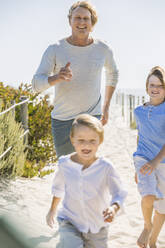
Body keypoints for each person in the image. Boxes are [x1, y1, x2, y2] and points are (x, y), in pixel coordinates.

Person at [32, 1, 118, 158]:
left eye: (86, 18)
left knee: (88, 167)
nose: (82, 22)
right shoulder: (55, 49)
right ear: (70, 21)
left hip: (91, 117)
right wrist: (56, 78)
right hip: (62, 120)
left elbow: (113, 73)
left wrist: (105, 106)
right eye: (77, 17)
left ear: (92, 24)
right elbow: (36, 84)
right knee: (68, 170)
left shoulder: (103, 49)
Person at [46, 114, 127, 248]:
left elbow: (120, 192)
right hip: (70, 220)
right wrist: (52, 210)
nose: (86, 145)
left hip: (97, 225)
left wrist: (113, 208)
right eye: (81, 140)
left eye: (92, 140)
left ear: (100, 140)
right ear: (72, 140)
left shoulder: (106, 167)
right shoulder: (64, 164)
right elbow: (58, 188)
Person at [133, 66, 165, 248]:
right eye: (152, 84)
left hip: (162, 162)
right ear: (146, 87)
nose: (155, 88)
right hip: (143, 159)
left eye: (160, 86)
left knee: (162, 208)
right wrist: (136, 168)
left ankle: (152, 242)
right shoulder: (138, 111)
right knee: (148, 195)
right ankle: (147, 226)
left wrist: (156, 161)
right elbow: (140, 137)